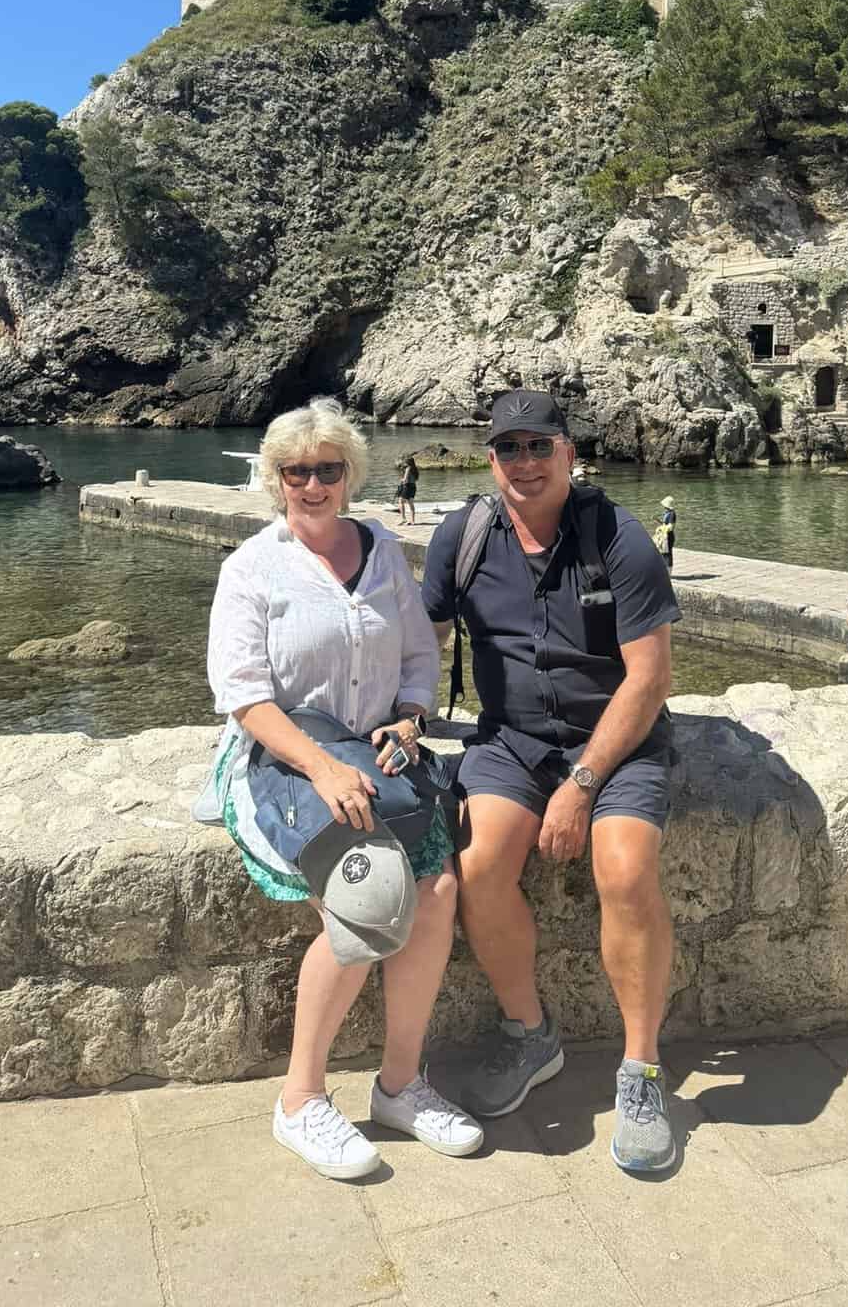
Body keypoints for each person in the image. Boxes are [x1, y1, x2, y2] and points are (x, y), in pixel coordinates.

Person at [201, 398, 481, 1180]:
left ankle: (401, 1085)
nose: (315, 484)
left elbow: (419, 656)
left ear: (350, 475)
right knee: (366, 905)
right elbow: (243, 694)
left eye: (329, 469)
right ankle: (300, 1099)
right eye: (299, 471)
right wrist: (322, 766)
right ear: (276, 478)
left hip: (380, 759)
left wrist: (410, 718)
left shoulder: (384, 551)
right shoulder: (252, 568)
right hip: (291, 762)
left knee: (437, 896)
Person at [422, 388, 682, 1173]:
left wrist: (581, 783)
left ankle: (641, 1072)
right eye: (510, 448)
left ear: (570, 453)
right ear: (490, 458)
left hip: (618, 741)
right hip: (510, 741)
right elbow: (419, 638)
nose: (525, 462)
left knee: (627, 871)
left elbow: (649, 679)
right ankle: (531, 1035)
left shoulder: (619, 538)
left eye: (541, 446)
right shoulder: (462, 536)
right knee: (476, 868)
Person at [395, 453, 419, 525]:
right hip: (413, 487)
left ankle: (403, 518)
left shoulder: (408, 468)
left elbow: (405, 479)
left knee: (400, 501)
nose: (404, 463)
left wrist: (401, 480)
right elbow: (415, 479)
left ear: (407, 462)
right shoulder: (415, 469)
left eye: (405, 461)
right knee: (411, 503)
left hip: (407, 486)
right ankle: (413, 521)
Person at [654, 496, 677, 570]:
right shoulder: (667, 513)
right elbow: (665, 525)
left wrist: (661, 528)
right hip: (664, 536)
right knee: (663, 553)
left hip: (668, 536)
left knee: (668, 554)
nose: (663, 507)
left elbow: (670, 527)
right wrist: (658, 521)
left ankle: (669, 571)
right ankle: (665, 570)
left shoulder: (672, 514)